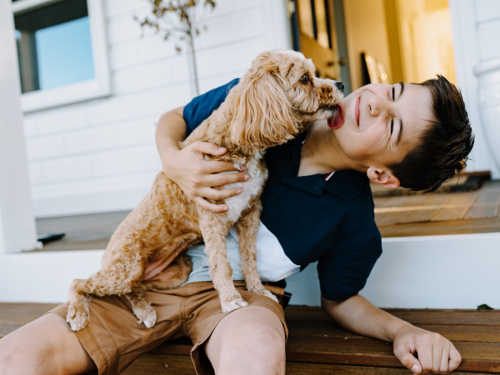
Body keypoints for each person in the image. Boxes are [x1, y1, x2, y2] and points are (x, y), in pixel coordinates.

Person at [0, 74, 473, 375]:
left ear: (384, 174)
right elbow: (176, 118)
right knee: (16, 356)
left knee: (257, 348)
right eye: (390, 93)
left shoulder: (351, 217)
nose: (373, 104)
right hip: (154, 273)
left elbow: (342, 299)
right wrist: (175, 160)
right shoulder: (273, 95)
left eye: (390, 125)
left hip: (242, 296)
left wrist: (402, 332)